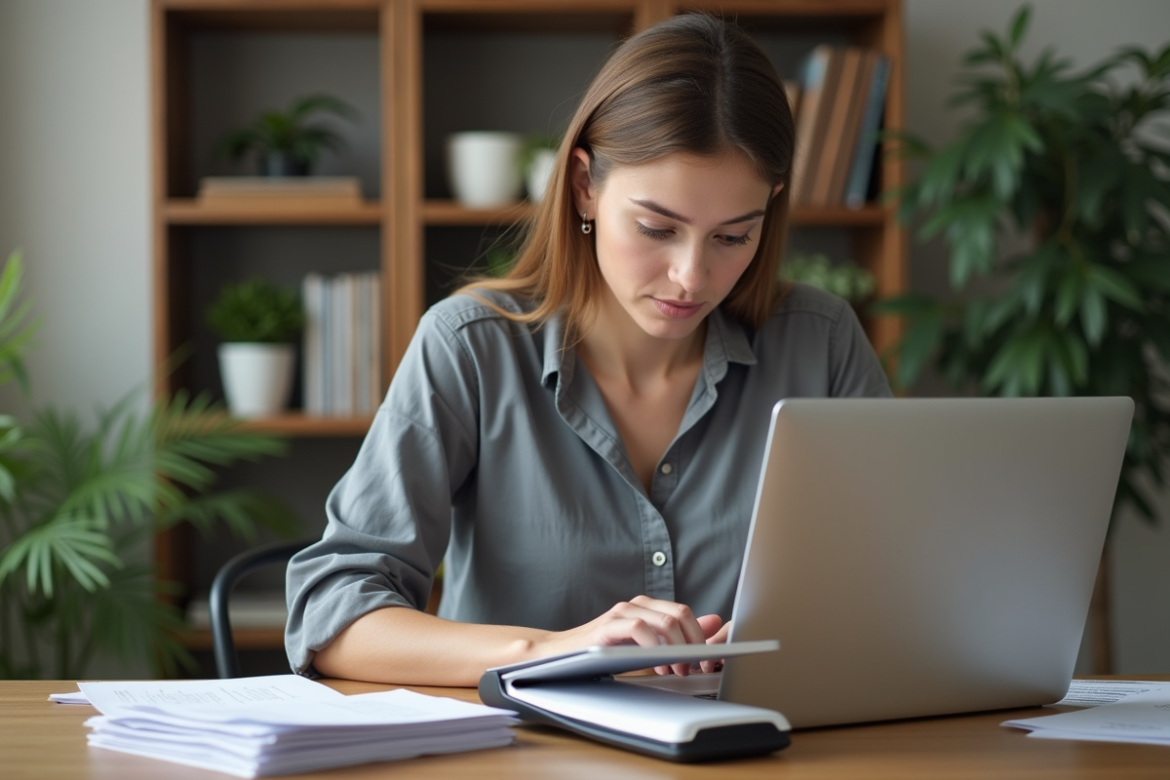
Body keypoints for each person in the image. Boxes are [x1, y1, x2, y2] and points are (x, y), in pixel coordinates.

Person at [285, 13, 892, 687]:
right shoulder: (471, 348)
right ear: (585, 186)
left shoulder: (822, 341)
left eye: (732, 237)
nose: (692, 276)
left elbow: (905, 584)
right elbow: (332, 614)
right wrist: (554, 650)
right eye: (657, 227)